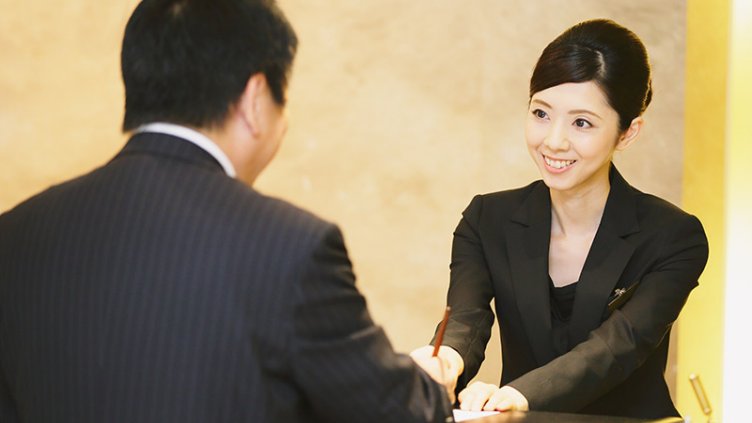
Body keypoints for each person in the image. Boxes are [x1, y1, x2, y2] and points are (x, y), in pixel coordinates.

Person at [0, 1, 455, 422]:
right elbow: (393, 411)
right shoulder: (292, 248)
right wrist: (428, 385)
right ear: (257, 99)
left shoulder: (16, 234)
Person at [411, 19, 708, 419]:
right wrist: (446, 360)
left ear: (628, 133)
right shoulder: (487, 219)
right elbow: (467, 317)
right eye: (541, 113)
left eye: (581, 122)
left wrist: (520, 394)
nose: (553, 141)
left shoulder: (673, 236)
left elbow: (617, 347)